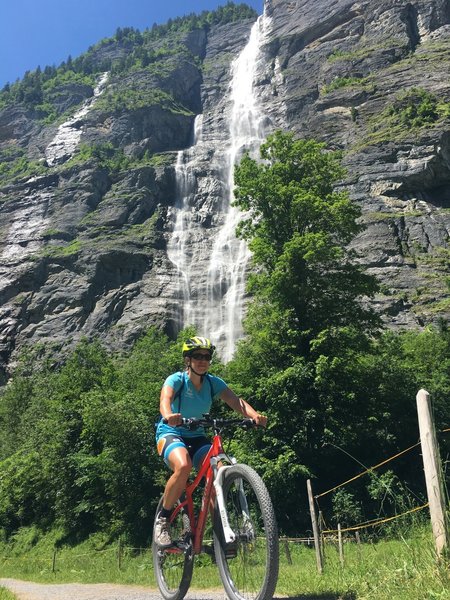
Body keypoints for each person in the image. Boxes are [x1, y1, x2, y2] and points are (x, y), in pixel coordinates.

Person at [154, 336, 267, 547]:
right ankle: (163, 519)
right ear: (188, 360)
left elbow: (237, 402)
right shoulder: (176, 380)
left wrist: (255, 416)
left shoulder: (213, 382)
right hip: (171, 432)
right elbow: (165, 400)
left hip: (197, 436)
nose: (202, 360)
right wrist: (169, 414)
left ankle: (220, 531)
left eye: (206, 356)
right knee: (184, 465)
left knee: (220, 470)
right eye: (197, 356)